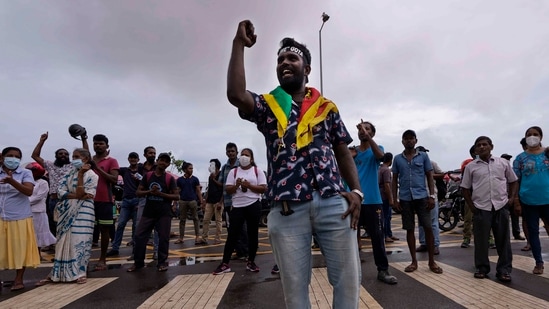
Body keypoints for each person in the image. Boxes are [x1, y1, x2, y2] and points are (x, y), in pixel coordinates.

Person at [226, 20, 363, 308]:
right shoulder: (268, 106)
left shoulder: (327, 108)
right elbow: (236, 95)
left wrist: (357, 192)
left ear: (306, 69)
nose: (284, 63)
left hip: (333, 205)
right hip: (288, 212)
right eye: (280, 60)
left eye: (292, 58)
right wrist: (239, 44)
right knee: (295, 292)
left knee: (348, 283)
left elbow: (342, 150)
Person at [36, 148, 99, 285]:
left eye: (77, 157)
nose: (74, 159)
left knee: (79, 241)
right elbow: (60, 192)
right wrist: (77, 195)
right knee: (62, 242)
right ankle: (57, 273)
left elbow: (85, 194)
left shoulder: (92, 175)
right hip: (65, 211)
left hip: (84, 212)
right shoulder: (69, 173)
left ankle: (80, 272)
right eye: (74, 156)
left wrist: (81, 176)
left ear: (86, 159)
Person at [461, 136, 518, 282]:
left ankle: (504, 270)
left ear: (491, 147)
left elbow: (513, 181)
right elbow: (465, 189)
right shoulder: (471, 167)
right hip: (481, 208)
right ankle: (482, 268)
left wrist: (511, 199)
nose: (481, 147)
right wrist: (473, 207)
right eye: (478, 145)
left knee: (503, 241)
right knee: (481, 242)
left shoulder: (502, 163)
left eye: (484, 144)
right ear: (475, 150)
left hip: (501, 206)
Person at [351, 121, 397, 285]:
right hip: (354, 200)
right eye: (362, 129)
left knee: (377, 237)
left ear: (372, 133)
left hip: (372, 201)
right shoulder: (353, 152)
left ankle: (383, 270)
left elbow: (380, 156)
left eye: (368, 129)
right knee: (351, 237)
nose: (363, 131)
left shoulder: (377, 149)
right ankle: (352, 272)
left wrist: (369, 137)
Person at [392, 130, 442, 274]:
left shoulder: (424, 156)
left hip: (422, 197)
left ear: (416, 140)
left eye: (411, 138)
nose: (408, 141)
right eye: (406, 139)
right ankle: (414, 262)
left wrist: (432, 196)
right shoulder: (397, 159)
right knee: (409, 229)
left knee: (428, 227)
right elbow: (394, 179)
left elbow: (430, 176)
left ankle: (432, 262)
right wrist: (394, 199)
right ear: (402, 141)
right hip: (405, 198)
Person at [213, 148, 267, 274]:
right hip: (237, 206)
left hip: (254, 204)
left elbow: (263, 188)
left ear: (251, 158)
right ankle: (225, 263)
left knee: (253, 234)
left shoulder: (257, 171)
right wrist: (237, 185)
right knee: (232, 235)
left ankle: (251, 261)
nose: (244, 157)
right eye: (242, 155)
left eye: (246, 155)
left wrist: (249, 186)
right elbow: (228, 190)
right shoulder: (234, 171)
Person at [127, 153, 179, 272]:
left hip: (164, 212)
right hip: (148, 212)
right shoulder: (148, 176)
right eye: (161, 160)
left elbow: (176, 196)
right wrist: (149, 192)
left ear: (168, 164)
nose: (163, 163)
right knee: (139, 236)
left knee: (163, 238)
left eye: (166, 162)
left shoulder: (169, 178)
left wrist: (161, 194)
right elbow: (138, 192)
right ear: (157, 161)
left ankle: (162, 262)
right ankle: (138, 263)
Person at [32, 132, 89, 238]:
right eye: (60, 154)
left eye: (66, 154)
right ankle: (54, 244)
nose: (63, 155)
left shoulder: (73, 166)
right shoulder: (50, 165)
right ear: (56, 156)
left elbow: (86, 154)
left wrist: (83, 139)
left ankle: (66, 244)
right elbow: (35, 156)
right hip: (54, 199)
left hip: (68, 199)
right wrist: (42, 141)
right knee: (53, 223)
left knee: (68, 223)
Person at [0, 147, 40, 291]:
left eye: (17, 156)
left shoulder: (25, 172)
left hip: (19, 217)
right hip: (1, 217)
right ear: (2, 158)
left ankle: (18, 279)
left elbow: (28, 191)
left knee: (20, 248)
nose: (13, 158)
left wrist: (12, 182)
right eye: (9, 155)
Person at [513, 126, 549, 275]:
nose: (532, 137)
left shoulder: (548, 155)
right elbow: (515, 181)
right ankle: (539, 262)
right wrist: (516, 200)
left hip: (548, 200)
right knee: (533, 233)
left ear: (541, 136)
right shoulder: (520, 158)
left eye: (535, 134)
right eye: (529, 134)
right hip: (528, 201)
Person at [90, 134, 120, 270]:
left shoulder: (112, 161)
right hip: (88, 199)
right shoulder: (89, 160)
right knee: (87, 231)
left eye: (101, 143)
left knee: (104, 230)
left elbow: (114, 179)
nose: (98, 146)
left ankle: (102, 259)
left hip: (105, 200)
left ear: (107, 146)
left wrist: (96, 168)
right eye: (95, 143)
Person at [107, 152, 142, 257]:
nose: (133, 159)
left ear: (138, 159)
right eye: (131, 158)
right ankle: (115, 248)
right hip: (126, 201)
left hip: (137, 200)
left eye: (135, 158)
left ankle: (135, 249)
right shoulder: (124, 170)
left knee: (136, 227)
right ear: (128, 159)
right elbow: (113, 170)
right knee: (121, 224)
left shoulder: (141, 171)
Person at [219, 142, 248, 259]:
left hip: (240, 201)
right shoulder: (224, 167)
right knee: (231, 228)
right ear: (226, 152)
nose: (230, 153)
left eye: (233, 151)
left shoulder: (241, 165)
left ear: (236, 152)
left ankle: (246, 252)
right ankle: (238, 251)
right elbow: (222, 184)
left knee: (242, 227)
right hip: (227, 202)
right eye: (228, 151)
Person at [25, 162, 56, 261]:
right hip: (26, 211)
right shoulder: (25, 182)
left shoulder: (43, 183)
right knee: (29, 233)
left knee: (38, 233)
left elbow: (39, 197)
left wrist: (24, 202)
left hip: (38, 211)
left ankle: (38, 255)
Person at [415, 146, 441, 256]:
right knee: (421, 223)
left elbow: (441, 174)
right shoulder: (413, 164)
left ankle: (435, 245)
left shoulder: (432, 163)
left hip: (432, 196)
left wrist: (429, 174)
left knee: (433, 222)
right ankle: (424, 243)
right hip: (419, 196)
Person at [175, 162, 204, 245]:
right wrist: (175, 202)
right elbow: (177, 191)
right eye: (190, 168)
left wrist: (201, 201)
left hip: (192, 201)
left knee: (195, 219)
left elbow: (198, 191)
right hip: (183, 201)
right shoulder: (180, 180)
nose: (191, 170)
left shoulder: (195, 179)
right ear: (185, 170)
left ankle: (197, 237)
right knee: (182, 220)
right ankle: (181, 238)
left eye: (192, 168)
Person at [501, 153, 525, 241]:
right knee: (503, 219)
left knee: (515, 217)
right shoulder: (499, 169)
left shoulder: (512, 171)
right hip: (502, 198)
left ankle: (517, 233)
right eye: (505, 159)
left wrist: (515, 197)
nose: (507, 160)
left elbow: (515, 183)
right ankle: (503, 237)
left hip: (512, 197)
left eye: (508, 159)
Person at [201, 159, 224, 244]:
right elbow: (209, 189)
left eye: (212, 165)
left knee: (218, 220)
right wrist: (205, 200)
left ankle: (218, 238)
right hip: (210, 201)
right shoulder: (210, 176)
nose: (210, 166)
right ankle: (204, 238)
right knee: (206, 220)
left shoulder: (221, 174)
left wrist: (221, 202)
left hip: (218, 201)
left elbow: (223, 188)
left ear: (216, 166)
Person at [379, 152, 397, 243]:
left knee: (387, 216)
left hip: (380, 195)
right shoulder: (386, 170)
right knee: (386, 217)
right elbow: (387, 185)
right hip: (384, 196)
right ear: (390, 160)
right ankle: (386, 235)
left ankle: (389, 233)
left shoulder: (380, 168)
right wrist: (391, 198)